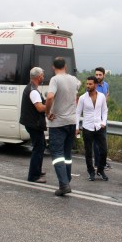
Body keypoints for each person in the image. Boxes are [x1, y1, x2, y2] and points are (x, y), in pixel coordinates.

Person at [45, 57, 80, 196]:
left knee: (57, 154)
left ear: (53, 67)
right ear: (65, 66)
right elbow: (78, 88)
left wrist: (48, 112)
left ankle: (64, 184)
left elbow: (49, 97)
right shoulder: (73, 79)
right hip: (71, 121)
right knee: (67, 154)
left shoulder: (55, 79)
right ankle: (67, 179)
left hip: (58, 122)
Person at [76, 76, 109, 181]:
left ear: (95, 85)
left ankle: (100, 170)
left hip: (99, 127)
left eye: (90, 84)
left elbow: (105, 110)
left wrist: (103, 122)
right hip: (87, 127)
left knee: (104, 150)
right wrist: (76, 127)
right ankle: (91, 172)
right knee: (88, 152)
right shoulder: (82, 98)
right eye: (87, 84)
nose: (88, 86)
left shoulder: (102, 96)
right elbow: (77, 113)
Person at [19, 67, 47, 184]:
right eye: (42, 75)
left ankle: (37, 170)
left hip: (31, 122)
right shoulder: (33, 91)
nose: (43, 77)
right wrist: (50, 107)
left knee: (41, 146)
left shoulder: (31, 87)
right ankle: (33, 175)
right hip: (34, 123)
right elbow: (40, 108)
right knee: (38, 148)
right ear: (39, 76)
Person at [93, 66, 111, 170]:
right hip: (95, 118)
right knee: (96, 142)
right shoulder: (93, 86)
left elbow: (106, 97)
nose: (98, 76)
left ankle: (102, 163)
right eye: (96, 75)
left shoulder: (106, 85)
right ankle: (96, 163)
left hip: (104, 117)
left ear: (104, 75)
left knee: (103, 141)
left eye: (100, 75)